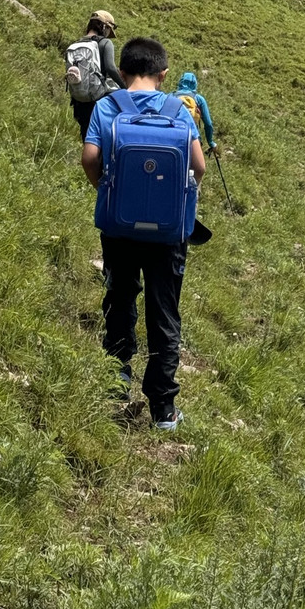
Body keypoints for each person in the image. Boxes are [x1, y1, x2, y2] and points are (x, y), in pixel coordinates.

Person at [81, 37, 205, 431]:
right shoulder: (178, 110)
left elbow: (89, 158)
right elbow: (198, 167)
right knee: (164, 311)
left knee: (120, 296)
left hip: (119, 225)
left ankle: (116, 377)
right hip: (168, 234)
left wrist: (107, 189)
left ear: (122, 71)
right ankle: (163, 409)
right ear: (163, 74)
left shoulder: (108, 106)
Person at [66, 10, 122, 137]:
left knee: (87, 136)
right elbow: (111, 68)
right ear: (104, 26)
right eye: (109, 29)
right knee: (102, 137)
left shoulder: (77, 44)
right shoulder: (105, 43)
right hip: (99, 99)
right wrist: (126, 87)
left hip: (79, 101)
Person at [175, 71, 215, 147]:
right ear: (195, 83)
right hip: (192, 137)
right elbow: (208, 124)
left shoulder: (171, 97)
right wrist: (211, 142)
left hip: (174, 136)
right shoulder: (199, 99)